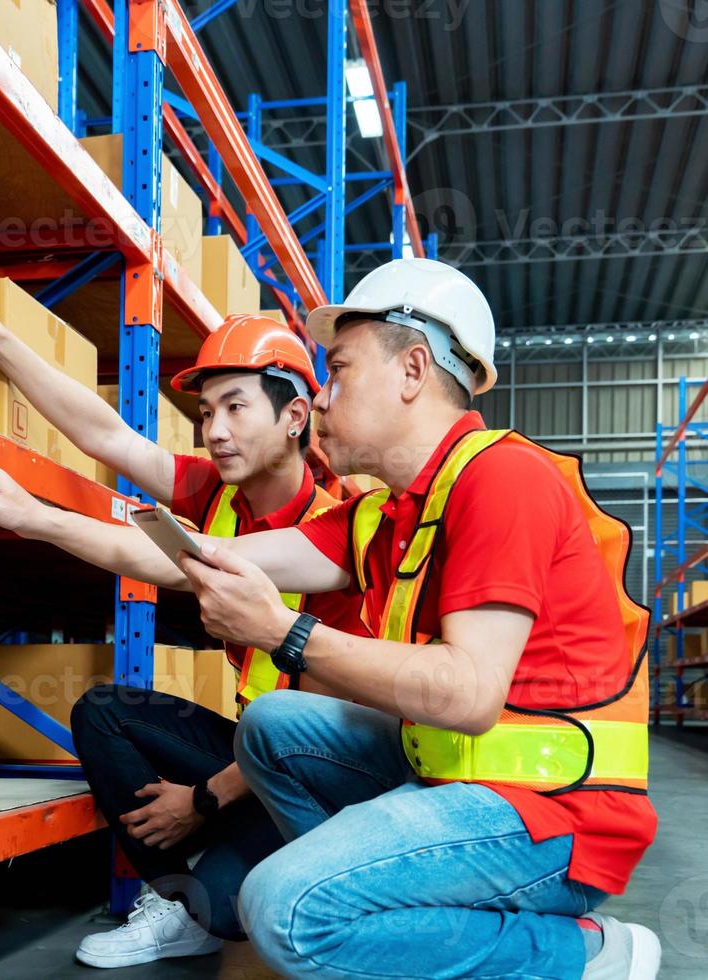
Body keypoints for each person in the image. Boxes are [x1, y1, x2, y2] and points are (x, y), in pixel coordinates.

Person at [149, 258, 658, 979]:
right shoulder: (393, 513)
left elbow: (468, 695)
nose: (321, 399)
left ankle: (584, 954)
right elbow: (198, 554)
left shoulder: (503, 480)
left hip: (556, 818)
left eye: (341, 369)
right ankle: (389, 921)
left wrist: (283, 631)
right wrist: (33, 515)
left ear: (412, 369)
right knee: (272, 725)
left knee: (279, 910)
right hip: (462, 783)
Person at [0, 250, 365, 968]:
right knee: (106, 712)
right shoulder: (218, 495)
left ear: (295, 415)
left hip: (314, 773)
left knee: (247, 904)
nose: (216, 431)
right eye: (206, 412)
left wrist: (199, 800)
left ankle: (221, 889)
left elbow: (313, 734)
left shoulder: (337, 534)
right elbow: (106, 436)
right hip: (248, 747)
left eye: (236, 407)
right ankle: (179, 904)